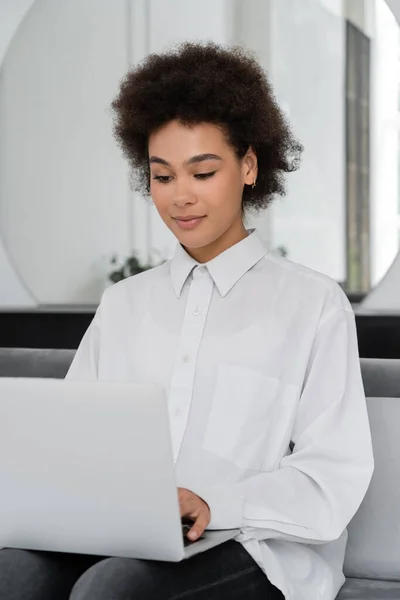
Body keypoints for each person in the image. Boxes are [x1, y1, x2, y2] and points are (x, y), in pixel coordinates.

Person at [0, 42, 374, 600]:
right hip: (122, 534)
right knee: (14, 574)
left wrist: (212, 502)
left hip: (255, 546)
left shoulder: (312, 305)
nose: (181, 197)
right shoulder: (124, 305)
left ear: (249, 166)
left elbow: (331, 474)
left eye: (202, 172)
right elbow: (74, 449)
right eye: (163, 176)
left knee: (114, 590)